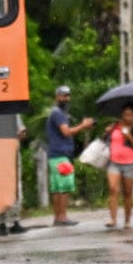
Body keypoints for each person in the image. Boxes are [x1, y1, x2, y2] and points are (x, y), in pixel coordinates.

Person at [44, 85, 82, 226]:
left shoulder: (56, 113)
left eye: (67, 95)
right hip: (60, 155)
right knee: (64, 186)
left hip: (55, 155)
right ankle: (63, 217)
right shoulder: (58, 113)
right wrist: (83, 126)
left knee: (56, 187)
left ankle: (57, 217)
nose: (66, 98)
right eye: (63, 95)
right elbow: (66, 132)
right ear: (57, 96)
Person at [104, 105, 133, 229]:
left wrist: (129, 137)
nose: (128, 116)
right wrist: (107, 131)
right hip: (114, 162)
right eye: (126, 114)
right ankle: (113, 219)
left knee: (127, 193)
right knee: (113, 189)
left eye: (131, 114)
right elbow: (105, 139)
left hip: (130, 163)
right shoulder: (115, 126)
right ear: (122, 115)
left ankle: (127, 220)